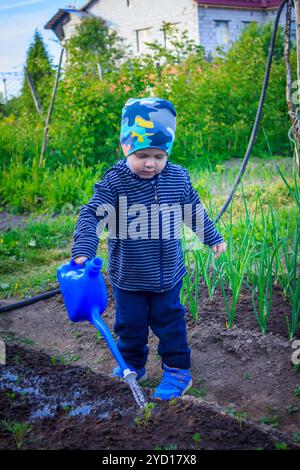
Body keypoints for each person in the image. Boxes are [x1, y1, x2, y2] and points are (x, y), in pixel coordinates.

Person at [72, 97, 226, 400]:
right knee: (130, 325)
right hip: (128, 274)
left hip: (168, 272)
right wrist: (84, 249)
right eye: (142, 155)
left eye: (159, 155)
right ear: (126, 147)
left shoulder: (177, 177)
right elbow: (92, 215)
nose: (151, 163)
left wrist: (212, 237)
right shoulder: (115, 181)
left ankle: (178, 371)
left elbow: (193, 210)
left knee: (170, 322)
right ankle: (133, 365)